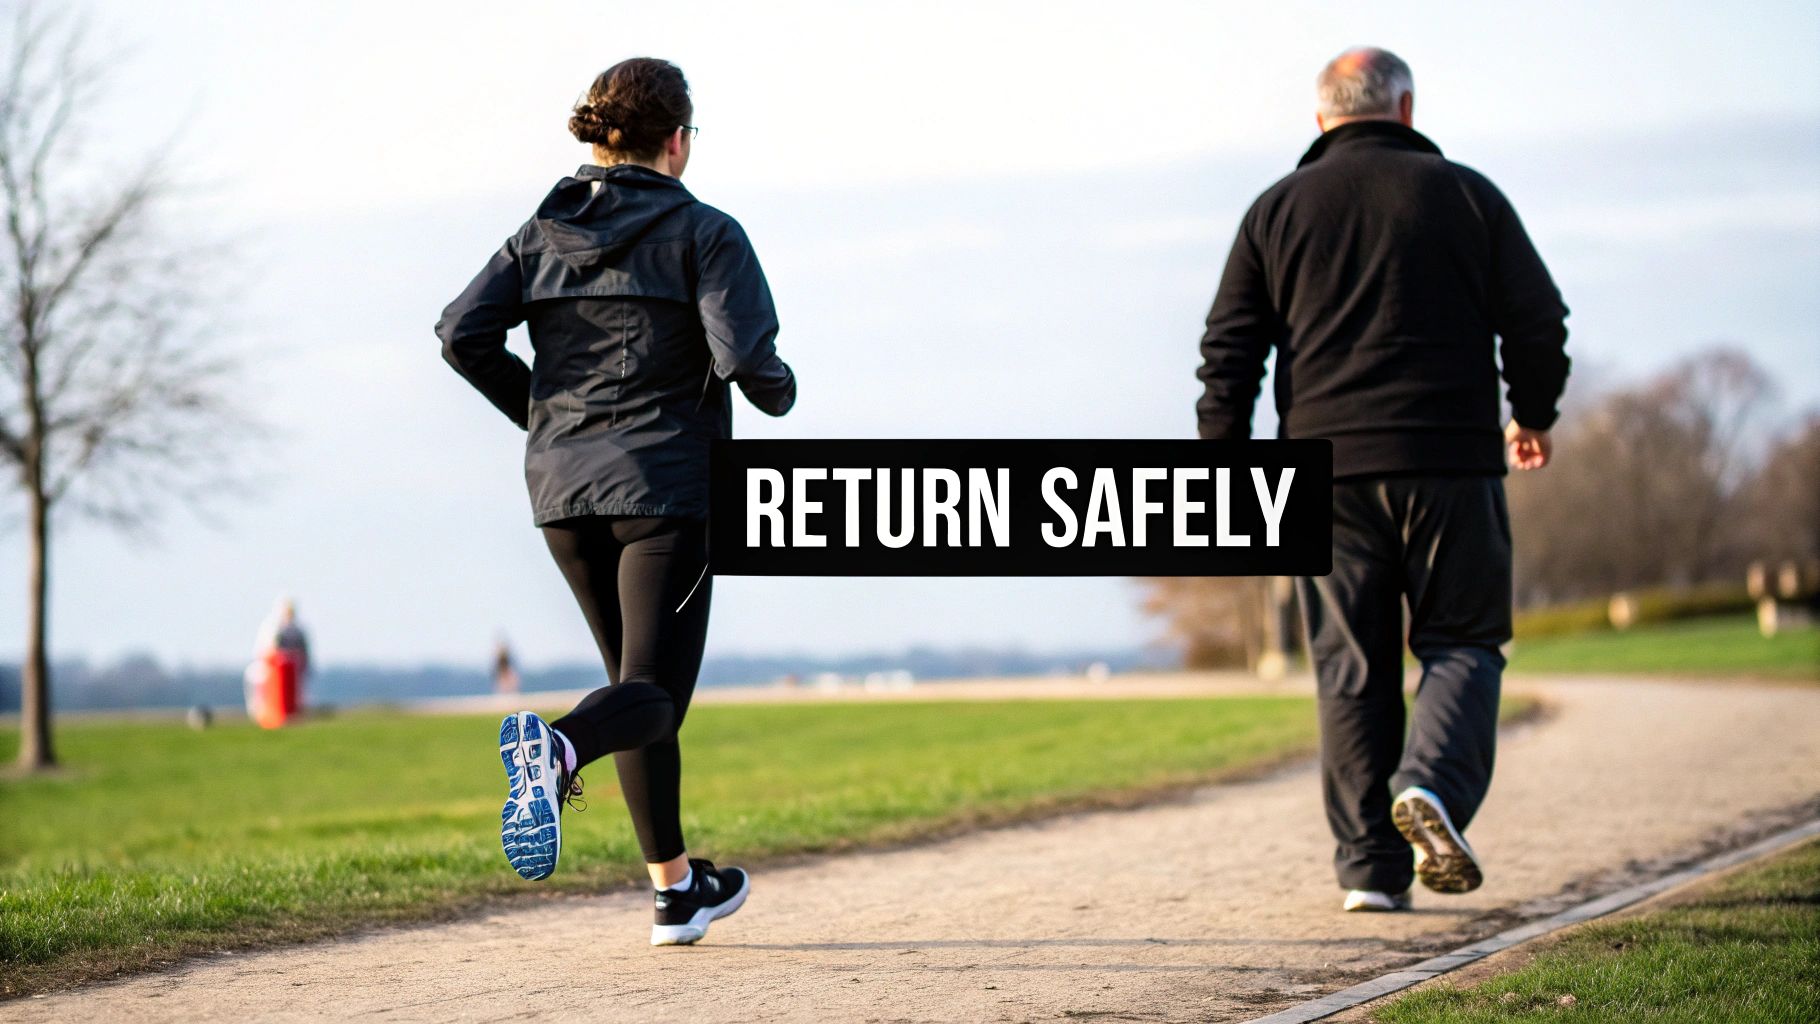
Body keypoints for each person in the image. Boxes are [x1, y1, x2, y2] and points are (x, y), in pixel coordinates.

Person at [1195, 47, 1569, 912]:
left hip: (1321, 472)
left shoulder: (1275, 211)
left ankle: (1369, 869)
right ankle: (1431, 784)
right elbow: (1537, 317)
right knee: (1463, 642)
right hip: (1449, 462)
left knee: (1349, 666)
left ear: (1321, 118)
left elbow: (1230, 351)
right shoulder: (1468, 195)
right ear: (1406, 109)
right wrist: (1534, 413)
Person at [437, 57, 796, 945]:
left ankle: (676, 890)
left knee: (634, 689)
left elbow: (460, 334)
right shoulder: (706, 232)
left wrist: (547, 414)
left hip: (564, 493)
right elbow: (749, 363)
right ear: (676, 141)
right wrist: (779, 387)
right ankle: (555, 750)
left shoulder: (541, 231)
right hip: (668, 490)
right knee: (653, 696)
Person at [245, 597, 310, 727]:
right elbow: (269, 649)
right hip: (267, 666)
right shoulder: (273, 627)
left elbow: (304, 652)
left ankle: (291, 712)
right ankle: (261, 713)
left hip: (290, 670)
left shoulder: (297, 631)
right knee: (257, 688)